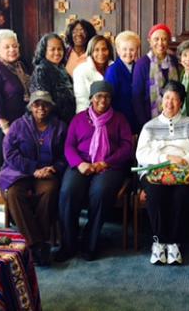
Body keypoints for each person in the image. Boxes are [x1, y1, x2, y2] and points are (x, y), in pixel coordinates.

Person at [56, 81, 133, 262]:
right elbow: (68, 146)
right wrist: (79, 164)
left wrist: (105, 163)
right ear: (91, 99)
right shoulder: (78, 119)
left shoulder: (119, 119)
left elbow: (127, 146)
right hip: (82, 163)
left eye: (107, 96)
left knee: (100, 192)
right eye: (98, 96)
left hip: (109, 166)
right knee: (68, 191)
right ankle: (69, 243)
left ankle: (90, 242)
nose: (102, 100)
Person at [136, 81, 189, 265]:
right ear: (162, 100)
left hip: (185, 171)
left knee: (182, 194)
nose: (170, 103)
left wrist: (184, 161)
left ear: (181, 103)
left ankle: (175, 242)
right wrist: (165, 158)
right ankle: (159, 242)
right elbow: (141, 154)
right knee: (156, 193)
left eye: (175, 99)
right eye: (167, 98)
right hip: (155, 171)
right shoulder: (149, 126)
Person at [0, 91, 67, 266]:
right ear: (30, 107)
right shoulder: (18, 125)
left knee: (50, 190)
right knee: (14, 193)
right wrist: (33, 169)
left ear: (51, 107)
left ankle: (39, 241)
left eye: (45, 104)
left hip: (47, 173)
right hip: (19, 171)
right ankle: (36, 244)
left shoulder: (59, 127)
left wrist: (54, 168)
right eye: (37, 104)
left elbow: (64, 156)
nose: (41, 108)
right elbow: (9, 154)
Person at [0, 29, 30, 187]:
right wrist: (6, 129)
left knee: (20, 167)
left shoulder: (21, 65)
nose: (12, 50)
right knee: (3, 165)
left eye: (15, 46)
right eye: (7, 47)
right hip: (4, 126)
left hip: (23, 123)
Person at [132, 24, 179, 129]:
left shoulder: (173, 60)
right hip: (149, 120)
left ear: (168, 41)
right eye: (156, 39)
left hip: (173, 118)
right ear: (149, 41)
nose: (160, 43)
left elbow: (178, 90)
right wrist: (144, 124)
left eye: (164, 39)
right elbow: (137, 97)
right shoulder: (142, 64)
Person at [30, 33, 76, 124]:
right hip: (53, 123)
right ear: (44, 51)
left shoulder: (61, 68)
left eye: (60, 49)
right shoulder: (41, 70)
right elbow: (43, 102)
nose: (57, 53)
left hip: (66, 120)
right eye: (52, 49)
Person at [105, 30, 139, 134]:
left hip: (137, 119)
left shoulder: (139, 67)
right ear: (118, 50)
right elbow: (109, 98)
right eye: (124, 49)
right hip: (119, 121)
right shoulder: (113, 70)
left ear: (137, 50)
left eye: (132, 49)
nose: (128, 53)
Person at [73, 35, 114, 113]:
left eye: (104, 49)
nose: (101, 53)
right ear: (90, 51)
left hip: (112, 114)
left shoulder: (114, 68)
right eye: (96, 50)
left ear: (109, 51)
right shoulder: (80, 70)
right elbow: (82, 101)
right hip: (89, 115)